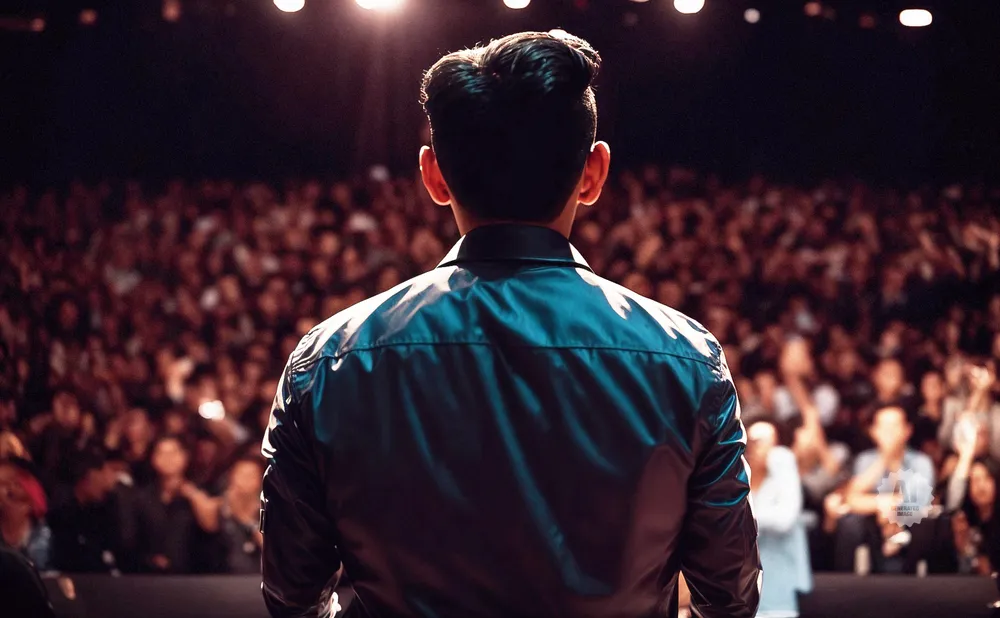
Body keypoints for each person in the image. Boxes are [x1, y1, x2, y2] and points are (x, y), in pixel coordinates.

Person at [261, 30, 760, 618]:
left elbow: (292, 597)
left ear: (435, 177)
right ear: (594, 172)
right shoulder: (686, 360)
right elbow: (728, 599)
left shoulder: (328, 362)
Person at [831, 405, 936, 572]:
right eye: (884, 427)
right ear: (874, 432)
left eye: (894, 426)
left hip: (909, 523)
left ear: (907, 430)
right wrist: (885, 457)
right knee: (849, 523)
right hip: (873, 523)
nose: (890, 433)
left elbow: (919, 502)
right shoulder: (865, 460)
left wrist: (891, 507)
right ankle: (844, 584)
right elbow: (852, 498)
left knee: (926, 524)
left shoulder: (921, 462)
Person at [746, 420, 812, 618]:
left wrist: (780, 459)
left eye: (767, 441)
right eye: (754, 441)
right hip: (739, 582)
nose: (760, 447)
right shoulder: (737, 476)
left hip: (778, 580)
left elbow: (785, 519)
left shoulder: (782, 468)